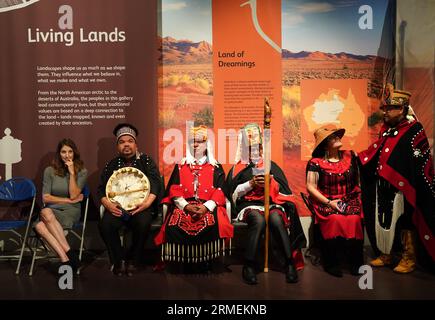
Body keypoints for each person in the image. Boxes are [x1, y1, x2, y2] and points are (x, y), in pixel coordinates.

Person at [359, 84, 435, 273]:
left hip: (404, 186)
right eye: (384, 109)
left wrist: (407, 181)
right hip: (384, 184)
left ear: (401, 109)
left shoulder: (414, 130)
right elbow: (379, 150)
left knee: (406, 221)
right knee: (383, 220)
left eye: (389, 109)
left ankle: (408, 257)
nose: (384, 112)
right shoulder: (387, 130)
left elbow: (419, 159)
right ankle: (386, 254)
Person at [226, 123, 306, 285]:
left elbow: (284, 190)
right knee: (258, 220)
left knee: (276, 219)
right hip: (249, 205)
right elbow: (233, 194)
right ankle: (248, 265)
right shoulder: (238, 168)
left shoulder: (270, 165)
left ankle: (289, 263)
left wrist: (271, 183)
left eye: (256, 146)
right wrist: (251, 183)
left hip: (271, 203)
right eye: (249, 146)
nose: (253, 149)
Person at [154, 125, 233, 271]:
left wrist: (206, 207)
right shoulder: (181, 165)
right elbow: (173, 189)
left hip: (208, 206)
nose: (195, 144)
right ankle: (184, 260)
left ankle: (207, 260)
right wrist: (185, 206)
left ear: (207, 144)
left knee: (211, 223)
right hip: (184, 206)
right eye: (192, 141)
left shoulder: (215, 166)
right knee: (175, 224)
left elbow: (220, 191)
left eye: (199, 141)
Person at [98, 123, 161, 276]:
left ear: (135, 144)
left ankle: (134, 259)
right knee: (105, 225)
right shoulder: (111, 165)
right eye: (122, 142)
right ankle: (119, 260)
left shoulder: (146, 161)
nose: (126, 144)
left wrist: (147, 203)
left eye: (129, 141)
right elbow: (101, 188)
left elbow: (155, 182)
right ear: (117, 146)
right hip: (118, 208)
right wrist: (107, 203)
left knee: (143, 223)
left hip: (141, 207)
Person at [305, 125, 364, 277]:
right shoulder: (316, 163)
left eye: (338, 135)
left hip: (350, 199)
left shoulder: (350, 156)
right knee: (334, 219)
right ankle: (331, 263)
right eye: (333, 137)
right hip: (326, 201)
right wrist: (329, 202)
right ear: (325, 144)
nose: (338, 138)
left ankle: (356, 263)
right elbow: (311, 187)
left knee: (354, 219)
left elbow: (359, 179)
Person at [34, 138, 87, 272]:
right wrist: (68, 200)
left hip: (71, 211)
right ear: (59, 154)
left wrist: (72, 172)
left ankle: (67, 259)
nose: (67, 155)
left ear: (74, 153)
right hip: (53, 210)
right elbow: (46, 197)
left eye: (70, 152)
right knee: (42, 219)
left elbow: (74, 195)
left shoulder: (82, 171)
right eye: (63, 152)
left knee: (42, 221)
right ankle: (67, 257)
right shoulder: (49, 171)